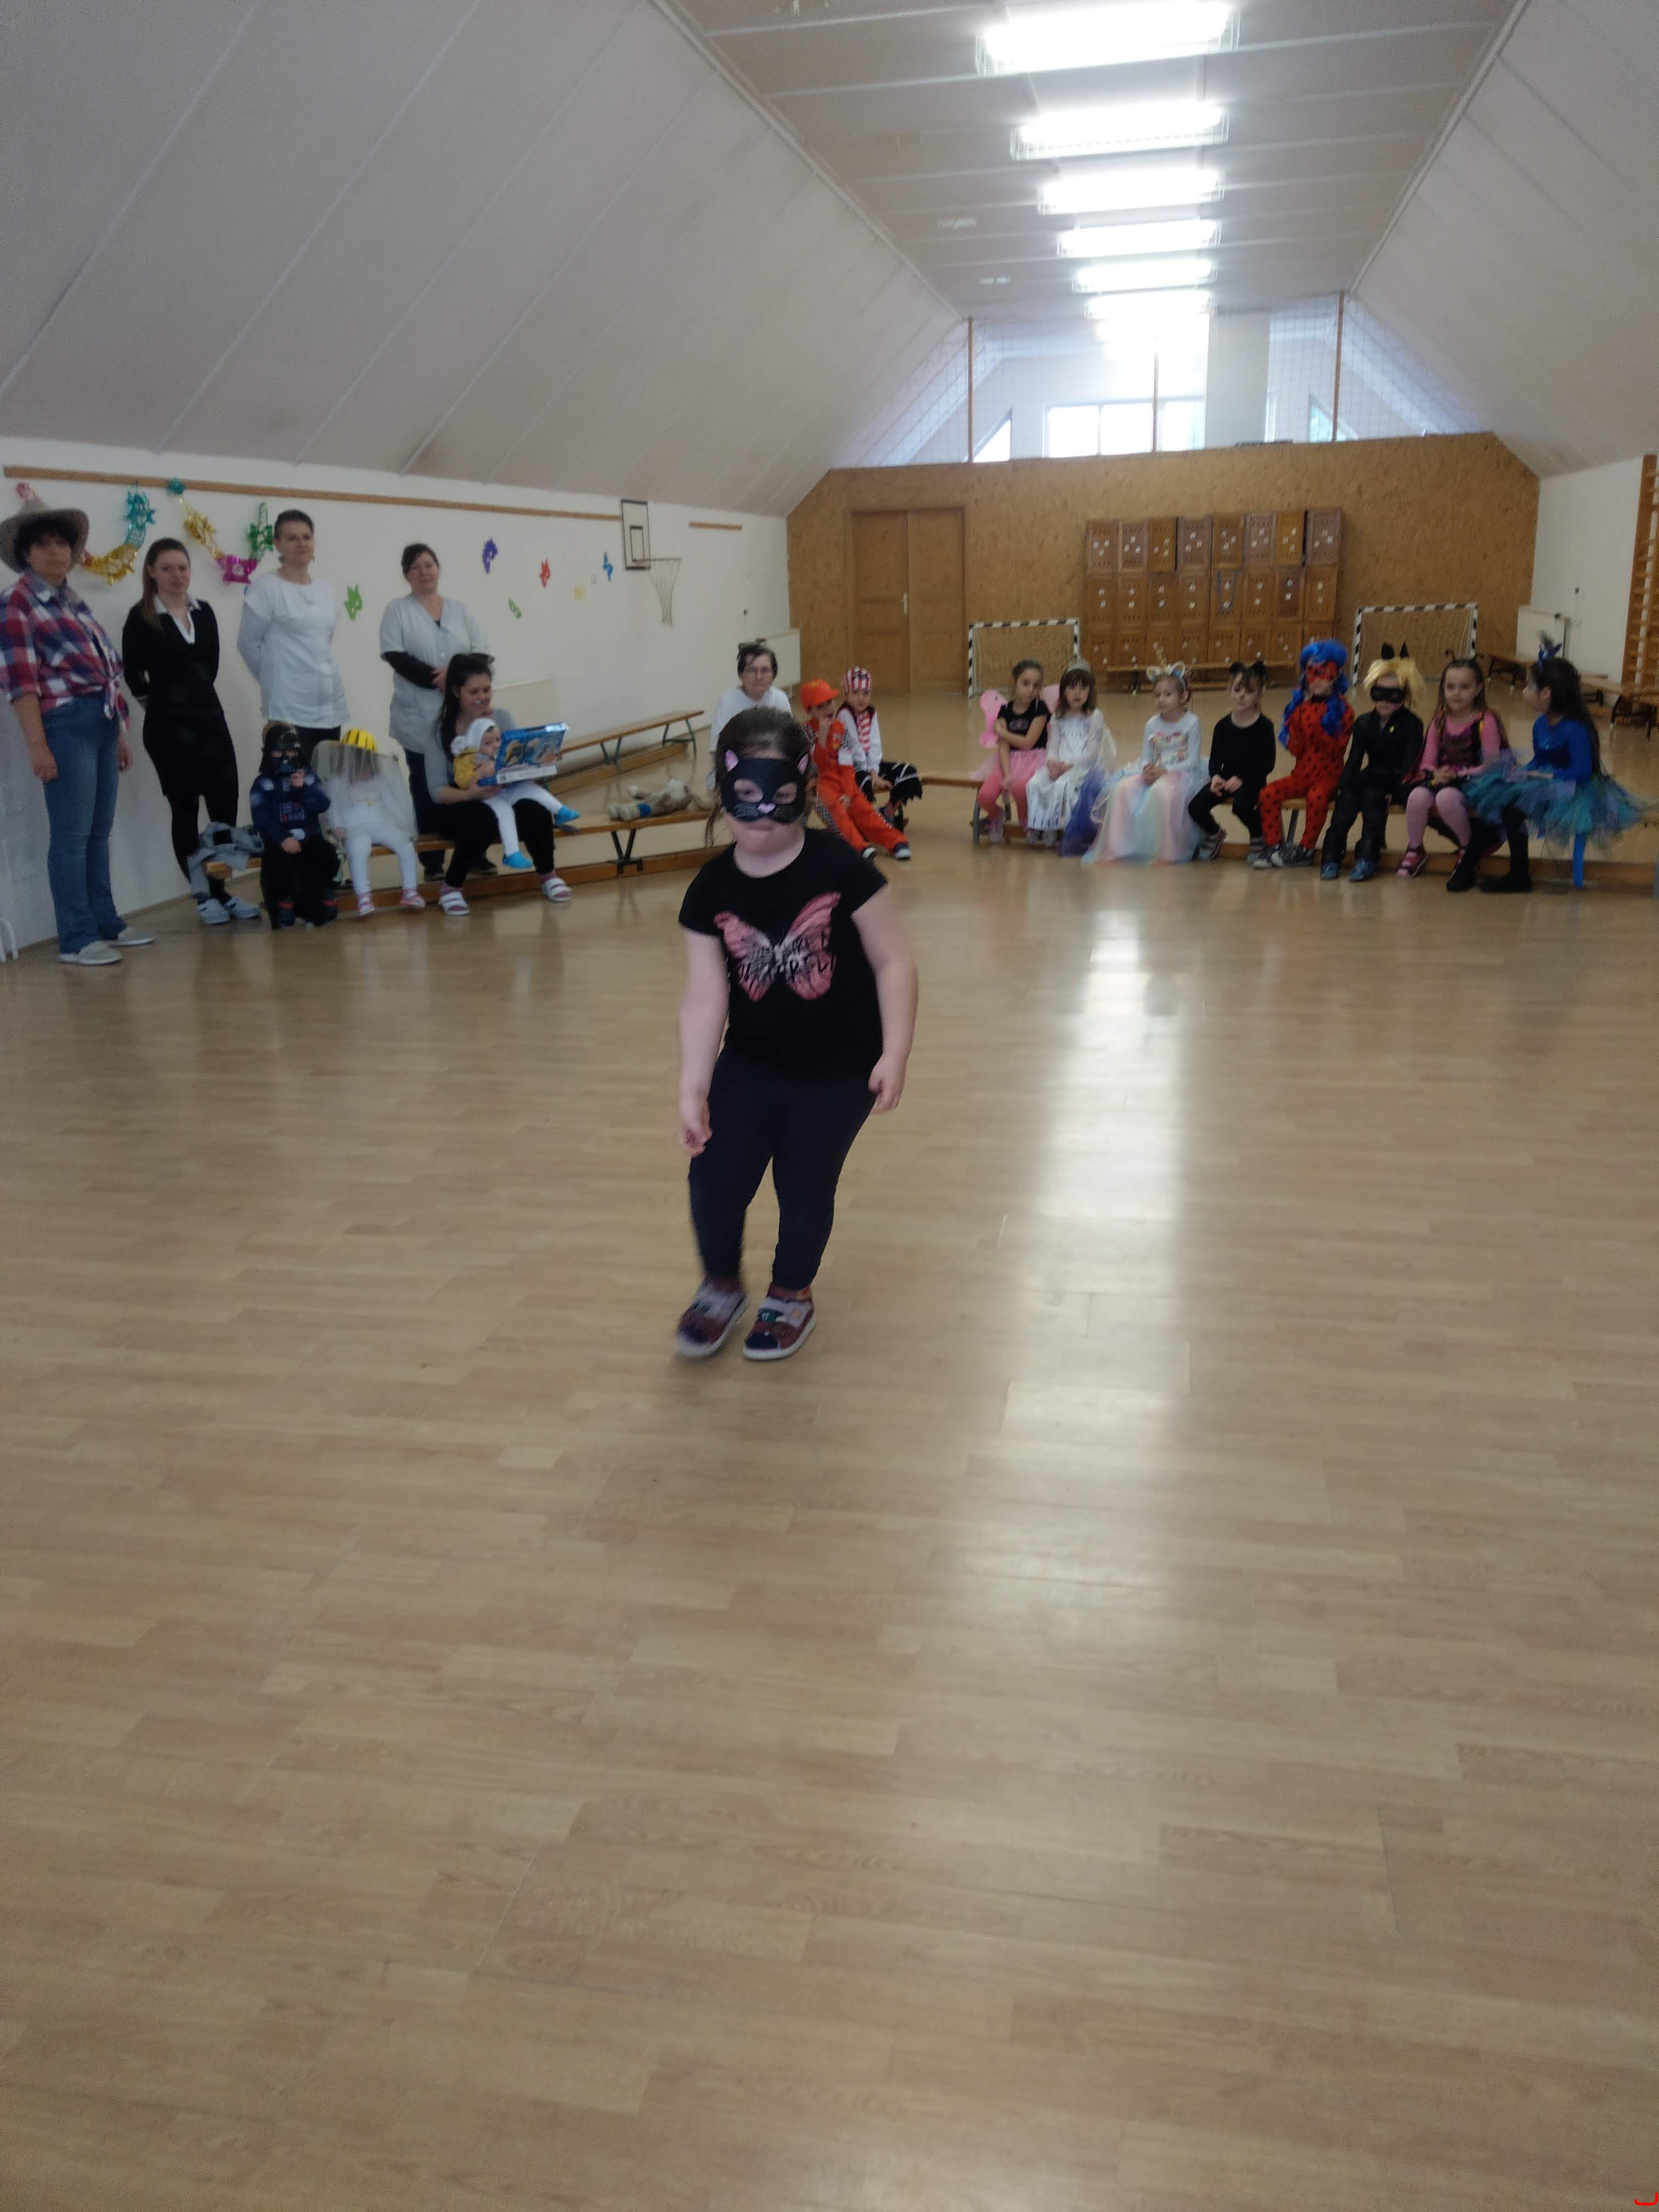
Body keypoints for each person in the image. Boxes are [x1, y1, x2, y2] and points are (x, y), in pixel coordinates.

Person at [674, 706, 917, 1363]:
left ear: (804, 790)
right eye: (744, 797)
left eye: (779, 798)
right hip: (751, 1063)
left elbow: (893, 961)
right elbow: (705, 997)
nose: (762, 816)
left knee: (804, 1186)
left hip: (840, 1070)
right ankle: (721, 1284)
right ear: (722, 791)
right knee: (714, 1181)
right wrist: (693, 1087)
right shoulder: (710, 889)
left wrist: (895, 1052)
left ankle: (791, 1291)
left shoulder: (841, 869)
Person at [0, 495, 154, 966]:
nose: (56, 552)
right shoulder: (17, 604)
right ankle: (76, 938)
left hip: (101, 722)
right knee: (71, 834)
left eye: (62, 544)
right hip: (64, 726)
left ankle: (105, 921)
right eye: (44, 544)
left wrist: (118, 735)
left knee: (97, 832)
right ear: (26, 554)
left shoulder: (71, 599)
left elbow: (100, 673)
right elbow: (21, 684)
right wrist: (38, 746)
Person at [121, 538, 258, 926]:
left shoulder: (205, 612)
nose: (176, 575)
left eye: (182, 568)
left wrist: (193, 703)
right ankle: (204, 898)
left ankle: (221, 890)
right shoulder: (141, 617)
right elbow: (134, 677)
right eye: (167, 568)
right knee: (185, 810)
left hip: (211, 722)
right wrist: (166, 708)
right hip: (168, 730)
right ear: (151, 571)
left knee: (224, 808)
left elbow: (208, 669)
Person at [1463, 643, 1643, 895]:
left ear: (1546, 693)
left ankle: (1518, 874)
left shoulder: (1576, 729)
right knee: (1500, 792)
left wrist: (1548, 776)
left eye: (1529, 687)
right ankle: (1470, 864)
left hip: (1575, 790)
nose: (1524, 692)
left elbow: (1582, 771)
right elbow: (1539, 760)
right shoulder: (1540, 724)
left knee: (1513, 805)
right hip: (1547, 781)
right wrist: (1525, 772)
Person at [429, 655, 572, 915]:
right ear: (456, 691)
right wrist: (471, 794)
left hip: (504, 794)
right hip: (461, 802)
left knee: (535, 810)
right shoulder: (440, 731)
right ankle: (451, 887)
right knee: (481, 819)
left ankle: (548, 875)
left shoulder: (501, 718)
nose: (482, 697)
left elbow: (517, 762)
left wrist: (541, 760)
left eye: (487, 690)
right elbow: (437, 791)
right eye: (474, 692)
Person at [379, 543, 488, 878]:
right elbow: (395, 655)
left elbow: (481, 654)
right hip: (418, 717)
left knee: (472, 779)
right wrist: (438, 679)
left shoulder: (461, 610)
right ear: (406, 575)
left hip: (463, 716)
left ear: (438, 569)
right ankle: (432, 861)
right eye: (416, 567)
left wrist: (455, 675)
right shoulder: (397, 611)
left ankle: (474, 852)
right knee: (426, 788)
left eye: (429, 565)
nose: (424, 572)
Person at [236, 509, 348, 760]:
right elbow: (247, 644)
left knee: (325, 781)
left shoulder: (326, 590)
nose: (301, 544)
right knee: (292, 782)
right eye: (292, 538)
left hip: (329, 706)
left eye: (307, 537)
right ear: (278, 544)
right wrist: (276, 680)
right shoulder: (266, 589)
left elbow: (324, 641)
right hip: (289, 709)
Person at [1319, 645, 1425, 883]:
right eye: (1379, 693)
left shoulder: (1412, 724)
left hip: (1395, 780)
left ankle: (1368, 856)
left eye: (1393, 695)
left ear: (1405, 695)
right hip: (1372, 775)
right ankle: (1331, 856)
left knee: (1373, 806)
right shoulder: (1364, 723)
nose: (1385, 701)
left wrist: (1397, 790)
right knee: (1345, 806)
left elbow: (1411, 762)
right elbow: (1355, 758)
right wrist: (1344, 785)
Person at [1396, 658, 1505, 884]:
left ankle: (1468, 849)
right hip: (1444, 778)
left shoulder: (1486, 720)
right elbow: (1427, 762)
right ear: (1443, 688)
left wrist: (1459, 774)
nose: (1457, 693)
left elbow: (1492, 765)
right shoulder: (1440, 720)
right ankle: (1415, 848)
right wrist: (1435, 773)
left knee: (1446, 798)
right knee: (1416, 797)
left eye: (1465, 687)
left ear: (1478, 689)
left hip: (1476, 781)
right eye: (1451, 687)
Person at [1088, 663, 1205, 864]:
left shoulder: (1192, 722)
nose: (1161, 699)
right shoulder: (1152, 724)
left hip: (1181, 773)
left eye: (1168, 694)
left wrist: (1164, 771)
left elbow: (1193, 762)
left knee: (1162, 793)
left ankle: (1167, 851)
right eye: (1157, 695)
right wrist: (1148, 770)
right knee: (1123, 790)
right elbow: (1146, 757)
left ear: (1183, 696)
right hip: (1155, 770)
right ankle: (1120, 848)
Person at [1254, 640, 1354, 868]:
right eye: (1312, 672)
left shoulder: (1344, 710)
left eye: (1324, 672)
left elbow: (1339, 748)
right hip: (1302, 775)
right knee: (1268, 793)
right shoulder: (1300, 710)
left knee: (1316, 797)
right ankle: (1274, 846)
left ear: (1336, 675)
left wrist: (1319, 731)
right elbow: (1297, 750)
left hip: (1328, 778)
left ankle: (1305, 849)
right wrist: (1293, 734)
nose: (1317, 679)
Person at [448, 697, 578, 870]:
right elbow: (462, 780)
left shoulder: (499, 753)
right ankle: (512, 854)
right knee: (505, 813)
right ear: (475, 743)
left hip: (506, 789)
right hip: (488, 796)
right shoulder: (467, 759)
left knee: (530, 788)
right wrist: (477, 774)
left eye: (498, 740)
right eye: (488, 743)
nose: (495, 746)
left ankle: (560, 811)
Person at [312, 730, 425, 917]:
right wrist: (337, 827)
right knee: (359, 850)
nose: (364, 767)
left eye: (368, 762)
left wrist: (404, 823)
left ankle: (410, 891)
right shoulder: (337, 782)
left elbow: (391, 803)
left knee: (406, 845)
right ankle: (364, 897)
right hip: (354, 828)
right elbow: (333, 807)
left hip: (383, 824)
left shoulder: (379, 780)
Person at [248, 724, 337, 929]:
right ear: (269, 753)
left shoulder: (308, 776)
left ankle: (325, 892)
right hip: (280, 841)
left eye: (290, 751)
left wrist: (304, 789)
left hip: (309, 837)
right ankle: (284, 900)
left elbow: (323, 804)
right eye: (279, 752)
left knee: (329, 856)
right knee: (279, 864)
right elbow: (262, 819)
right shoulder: (262, 784)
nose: (285, 757)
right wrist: (282, 839)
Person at [1189, 658, 1277, 863]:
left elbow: (1267, 763)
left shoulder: (1264, 726)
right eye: (1237, 690)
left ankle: (1258, 835)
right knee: (1196, 806)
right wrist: (1216, 776)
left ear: (1259, 695)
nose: (1241, 696)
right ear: (1230, 691)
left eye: (1249, 692)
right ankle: (1215, 833)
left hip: (1252, 780)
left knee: (1242, 806)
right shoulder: (1223, 725)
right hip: (1226, 779)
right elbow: (1215, 759)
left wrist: (1243, 779)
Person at [816, 668, 909, 860]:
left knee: (865, 810)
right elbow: (818, 766)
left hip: (844, 777)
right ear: (810, 711)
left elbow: (846, 764)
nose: (829, 709)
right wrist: (823, 739)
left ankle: (895, 840)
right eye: (821, 706)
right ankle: (859, 845)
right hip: (822, 783)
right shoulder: (805, 733)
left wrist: (849, 792)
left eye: (830, 703)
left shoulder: (840, 729)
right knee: (839, 812)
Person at [1026, 662, 1108, 847]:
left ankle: (1068, 830)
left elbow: (1092, 752)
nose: (1078, 693)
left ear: (1090, 691)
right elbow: (1053, 744)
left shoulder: (1094, 716)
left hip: (1083, 765)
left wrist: (1068, 766)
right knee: (1036, 782)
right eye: (1072, 688)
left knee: (1062, 785)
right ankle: (1045, 826)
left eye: (1083, 688)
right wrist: (1052, 763)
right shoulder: (1058, 716)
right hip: (1061, 762)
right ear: (1063, 691)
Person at [976, 659, 1052, 840]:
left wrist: (1002, 732)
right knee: (984, 795)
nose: (1031, 690)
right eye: (1026, 683)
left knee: (1020, 788)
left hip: (1035, 760)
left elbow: (1028, 743)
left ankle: (1027, 821)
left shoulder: (1040, 709)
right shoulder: (1005, 710)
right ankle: (996, 814)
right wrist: (1007, 773)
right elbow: (1003, 747)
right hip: (1008, 761)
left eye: (1036, 685)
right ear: (1014, 683)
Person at [710, 642, 790, 748]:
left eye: (765, 670)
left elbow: (789, 739)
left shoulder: (780, 698)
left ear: (774, 674)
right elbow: (717, 746)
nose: (759, 677)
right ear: (741, 674)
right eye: (752, 670)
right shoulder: (728, 700)